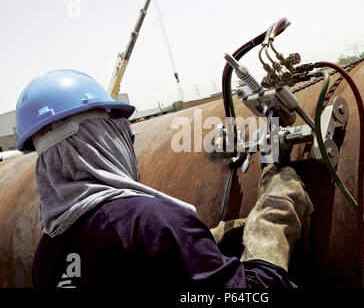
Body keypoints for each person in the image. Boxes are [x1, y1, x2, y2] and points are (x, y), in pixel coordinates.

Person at [15, 69, 314, 288]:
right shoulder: (148, 223)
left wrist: (194, 242)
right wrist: (273, 220)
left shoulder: (47, 254)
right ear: (103, 138)